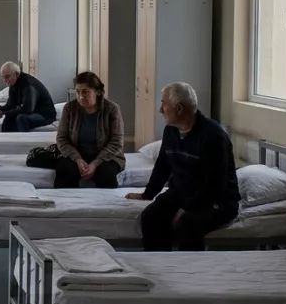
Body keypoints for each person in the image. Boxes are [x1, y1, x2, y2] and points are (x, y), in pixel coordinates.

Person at [126, 82, 240, 252]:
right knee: (150, 217)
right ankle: (158, 264)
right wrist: (147, 194)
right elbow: (162, 167)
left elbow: (214, 186)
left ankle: (188, 267)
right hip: (181, 194)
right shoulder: (171, 131)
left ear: (179, 109)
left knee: (187, 225)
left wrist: (187, 209)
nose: (160, 110)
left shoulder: (213, 136)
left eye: (164, 104)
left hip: (217, 200)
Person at [53, 72, 125, 188]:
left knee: (106, 173)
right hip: (77, 155)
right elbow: (62, 139)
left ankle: (106, 200)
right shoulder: (69, 108)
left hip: (106, 157)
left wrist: (95, 163)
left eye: (85, 92)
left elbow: (116, 142)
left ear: (98, 92)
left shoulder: (111, 109)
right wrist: (77, 159)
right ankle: (65, 199)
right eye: (78, 92)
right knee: (66, 170)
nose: (81, 96)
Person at [0, 61, 56, 132]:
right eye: (3, 78)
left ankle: (25, 138)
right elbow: (11, 104)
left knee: (21, 118)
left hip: (45, 115)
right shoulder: (13, 84)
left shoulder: (27, 84)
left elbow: (27, 109)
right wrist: (1, 110)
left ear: (16, 74)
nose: (5, 80)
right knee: (9, 118)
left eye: (7, 77)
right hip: (33, 112)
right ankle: (8, 138)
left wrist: (4, 113)